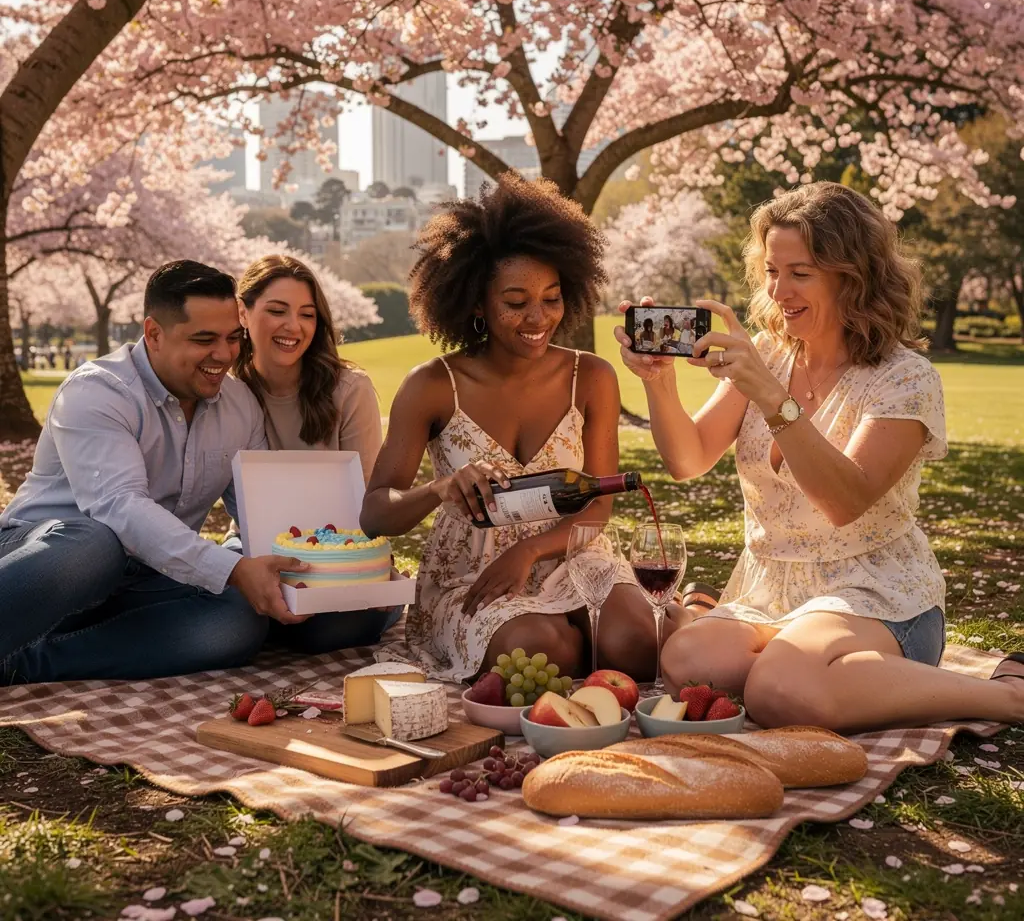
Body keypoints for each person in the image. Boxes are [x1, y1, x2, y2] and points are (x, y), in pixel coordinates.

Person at [616, 182, 1024, 732]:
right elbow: (688, 460)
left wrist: (771, 397)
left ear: (853, 277)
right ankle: (832, 672)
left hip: (878, 595)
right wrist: (658, 383)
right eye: (770, 271)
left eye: (800, 273)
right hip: (768, 592)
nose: (780, 291)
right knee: (685, 663)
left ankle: (1006, 695)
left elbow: (843, 500)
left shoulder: (904, 379)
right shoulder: (766, 356)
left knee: (779, 690)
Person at [361, 176, 671, 681]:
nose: (538, 317)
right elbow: (374, 514)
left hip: (574, 554)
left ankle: (622, 625)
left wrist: (529, 551)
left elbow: (599, 505)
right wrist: (441, 488)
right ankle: (574, 637)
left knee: (638, 644)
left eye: (551, 298)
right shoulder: (433, 386)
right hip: (474, 574)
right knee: (540, 653)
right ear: (477, 303)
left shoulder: (591, 377)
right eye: (516, 301)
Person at [0, 260, 309, 684]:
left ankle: (24, 663)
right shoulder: (97, 391)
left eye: (232, 338)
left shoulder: (240, 406)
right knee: (97, 543)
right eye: (204, 339)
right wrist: (233, 569)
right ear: (154, 334)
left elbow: (264, 514)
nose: (224, 355)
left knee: (236, 617)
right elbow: (121, 508)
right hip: (52, 561)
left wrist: (341, 568)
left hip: (147, 574)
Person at [231, 253, 400, 653]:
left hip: (339, 558)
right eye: (277, 311)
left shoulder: (348, 389)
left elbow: (369, 504)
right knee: (235, 618)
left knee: (323, 633)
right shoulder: (227, 393)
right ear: (243, 313)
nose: (294, 327)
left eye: (307, 314)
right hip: (255, 551)